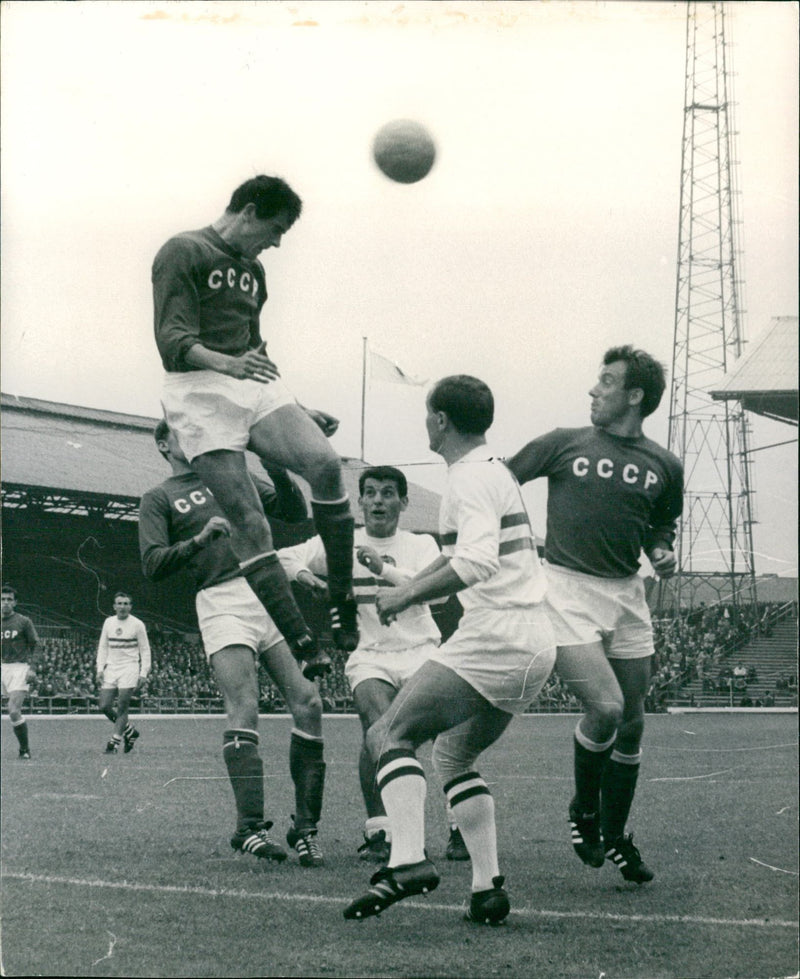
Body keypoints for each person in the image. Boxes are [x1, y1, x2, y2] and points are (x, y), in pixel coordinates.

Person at [344, 376, 556, 925]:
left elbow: (479, 561)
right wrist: (405, 584)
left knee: (388, 734)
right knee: (454, 756)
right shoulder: (492, 472)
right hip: (535, 641)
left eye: (426, 414)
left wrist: (409, 594)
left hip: (498, 633)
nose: (424, 423)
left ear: (440, 420)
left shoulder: (469, 478)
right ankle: (487, 888)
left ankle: (408, 861)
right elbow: (456, 557)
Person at [152, 174, 358, 674]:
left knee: (325, 465)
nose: (277, 241)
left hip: (248, 378)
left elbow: (256, 348)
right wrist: (227, 365)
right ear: (247, 211)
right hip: (198, 389)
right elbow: (171, 339)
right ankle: (301, 641)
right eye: (275, 227)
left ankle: (342, 596)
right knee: (250, 522)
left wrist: (298, 407)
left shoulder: (255, 271)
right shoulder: (183, 250)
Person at [506, 345, 684, 884]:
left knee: (632, 725)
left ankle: (615, 835)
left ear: (634, 396)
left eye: (605, 381)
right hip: (565, 589)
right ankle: (585, 810)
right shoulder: (564, 444)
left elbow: (660, 524)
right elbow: (500, 484)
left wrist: (660, 550)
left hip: (626, 595)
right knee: (605, 710)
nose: (593, 389)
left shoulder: (665, 465)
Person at [138, 419, 327, 867]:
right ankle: (249, 827)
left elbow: (293, 511)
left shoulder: (234, 475)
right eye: (181, 432)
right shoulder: (159, 497)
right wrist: (199, 541)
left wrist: (276, 465)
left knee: (309, 702)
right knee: (245, 705)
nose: (192, 436)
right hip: (221, 598)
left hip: (268, 588)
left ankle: (305, 828)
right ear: (165, 444)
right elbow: (151, 564)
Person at [279, 464, 469, 864]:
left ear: (403, 501)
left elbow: (435, 598)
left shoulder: (422, 546)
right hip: (370, 656)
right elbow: (284, 556)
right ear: (360, 500)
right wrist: (305, 577)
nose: (378, 501)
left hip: (421, 649)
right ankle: (382, 832)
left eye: (387, 493)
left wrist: (382, 568)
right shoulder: (340, 541)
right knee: (377, 730)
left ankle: (460, 828)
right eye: (371, 493)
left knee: (445, 736)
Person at [96, 592, 151, 754]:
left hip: (129, 667)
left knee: (122, 706)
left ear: (130, 607)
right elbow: (103, 647)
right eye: (119, 603)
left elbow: (145, 650)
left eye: (126, 604)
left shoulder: (137, 624)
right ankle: (130, 731)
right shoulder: (108, 622)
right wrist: (100, 669)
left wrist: (144, 673)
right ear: (114, 606)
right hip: (111, 668)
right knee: (104, 705)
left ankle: (114, 742)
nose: (123, 607)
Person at [1, 585, 41, 759]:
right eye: (2, 599)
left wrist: (32, 668)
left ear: (15, 603)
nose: (6, 603)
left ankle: (24, 749)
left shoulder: (23, 621)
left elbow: (37, 645)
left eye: (9, 599)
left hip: (19, 668)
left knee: (13, 710)